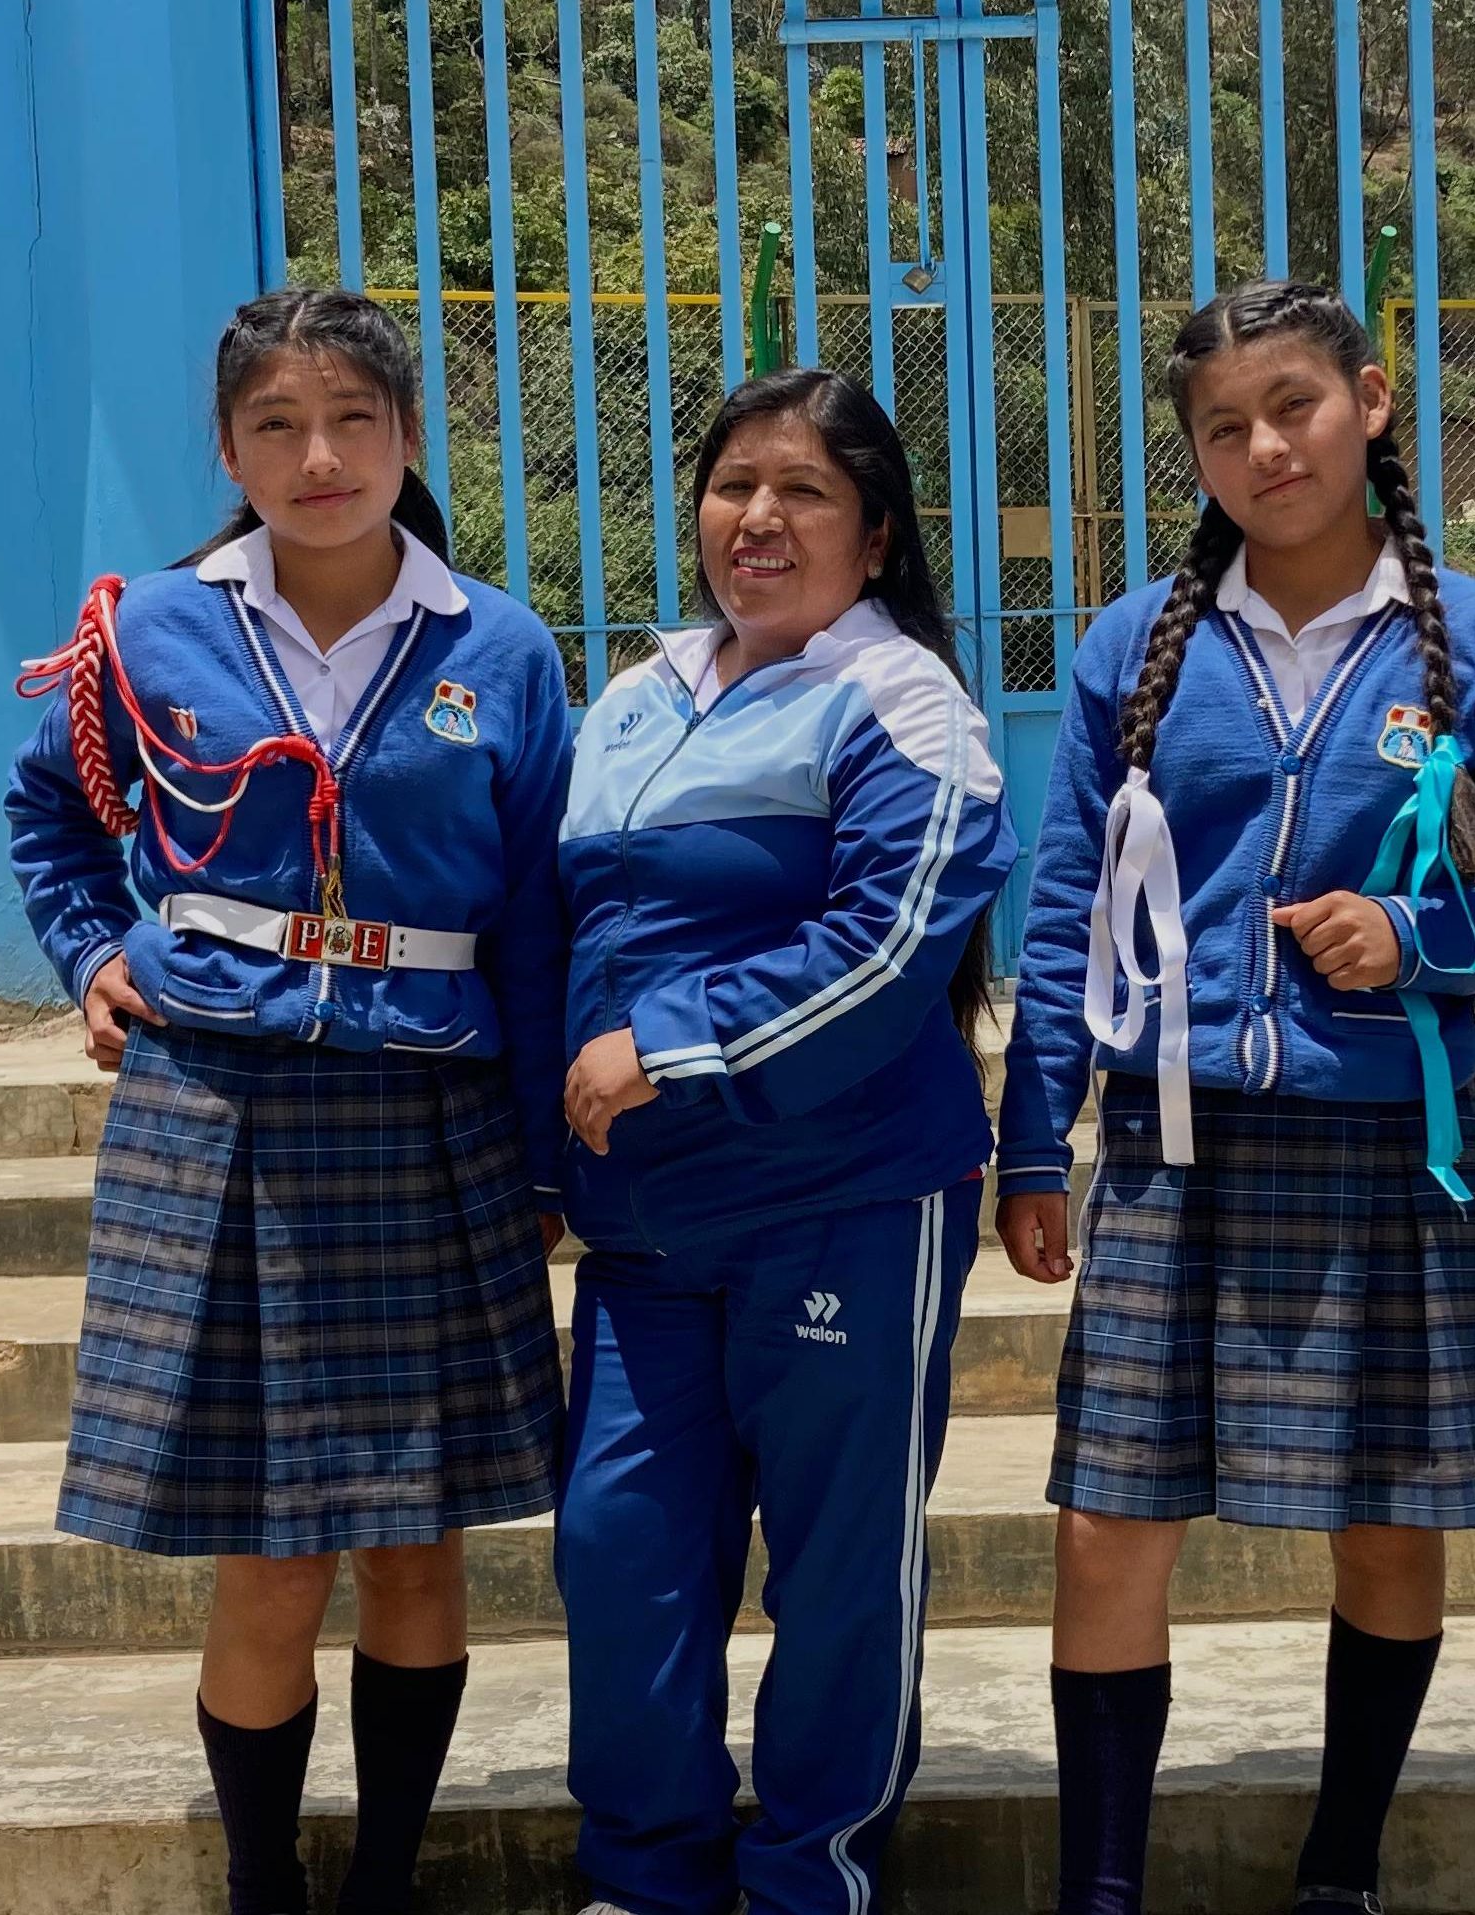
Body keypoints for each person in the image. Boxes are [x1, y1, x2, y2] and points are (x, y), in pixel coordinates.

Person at [991, 278, 1475, 1915]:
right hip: (1173, 1140)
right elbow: (1065, 907)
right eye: (1222, 428)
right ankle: (1101, 1890)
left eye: (1293, 407)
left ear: (1371, 403)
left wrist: (1416, 938)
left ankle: (1342, 1869)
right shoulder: (1134, 646)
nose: (1263, 448)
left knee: (1389, 1520)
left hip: (1388, 1137)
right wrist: (1031, 1137)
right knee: (1107, 1519)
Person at [5, 287, 574, 1915]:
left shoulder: (502, 649)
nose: (318, 457)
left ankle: (385, 1880)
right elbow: (52, 816)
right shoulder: (150, 631)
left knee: (415, 1546)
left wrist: (546, 1159)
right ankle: (267, 1884)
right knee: (267, 1553)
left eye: (351, 421)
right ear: (229, 449)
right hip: (217, 1105)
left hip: (428, 1112)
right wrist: (90, 955)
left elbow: (541, 916)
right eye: (277, 425)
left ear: (407, 436)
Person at [550, 366, 1020, 1915]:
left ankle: (813, 1877)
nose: (758, 517)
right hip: (644, 1231)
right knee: (621, 1553)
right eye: (734, 484)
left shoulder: (905, 703)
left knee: (837, 1574)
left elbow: (888, 948)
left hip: (846, 1202)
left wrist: (671, 1046)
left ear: (874, 537)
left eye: (804, 490)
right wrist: (547, 1155)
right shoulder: (633, 698)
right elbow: (555, 932)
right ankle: (646, 1878)